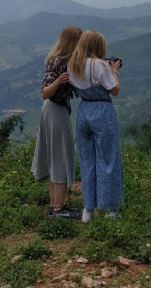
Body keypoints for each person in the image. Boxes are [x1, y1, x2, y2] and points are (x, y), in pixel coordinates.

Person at [67, 30, 123, 222]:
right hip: (103, 111)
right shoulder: (100, 65)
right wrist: (114, 71)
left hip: (84, 112)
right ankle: (110, 209)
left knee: (87, 160)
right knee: (108, 160)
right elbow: (114, 90)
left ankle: (87, 210)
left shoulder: (73, 64)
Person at [32, 26, 82, 219]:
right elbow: (44, 92)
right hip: (55, 109)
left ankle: (55, 205)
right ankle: (59, 209)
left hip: (53, 109)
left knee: (55, 157)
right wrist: (59, 82)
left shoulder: (61, 61)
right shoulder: (59, 63)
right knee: (60, 156)